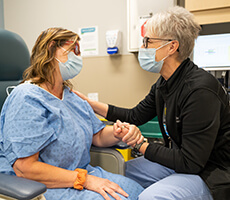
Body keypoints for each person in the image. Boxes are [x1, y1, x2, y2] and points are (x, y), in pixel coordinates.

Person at [74, 6, 230, 200]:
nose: (143, 47)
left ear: (172, 47)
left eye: (148, 41)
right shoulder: (165, 83)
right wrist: (90, 104)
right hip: (179, 162)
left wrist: (140, 144)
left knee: (150, 197)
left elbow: (191, 162)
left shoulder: (200, 90)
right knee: (116, 171)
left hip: (209, 173)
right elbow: (135, 116)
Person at [0, 27, 144, 200]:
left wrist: (117, 133)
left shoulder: (71, 96)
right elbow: (26, 169)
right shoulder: (26, 98)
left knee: (138, 192)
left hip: (83, 175)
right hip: (45, 186)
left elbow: (96, 135)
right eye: (74, 50)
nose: (78, 57)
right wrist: (85, 180)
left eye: (79, 51)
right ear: (50, 49)